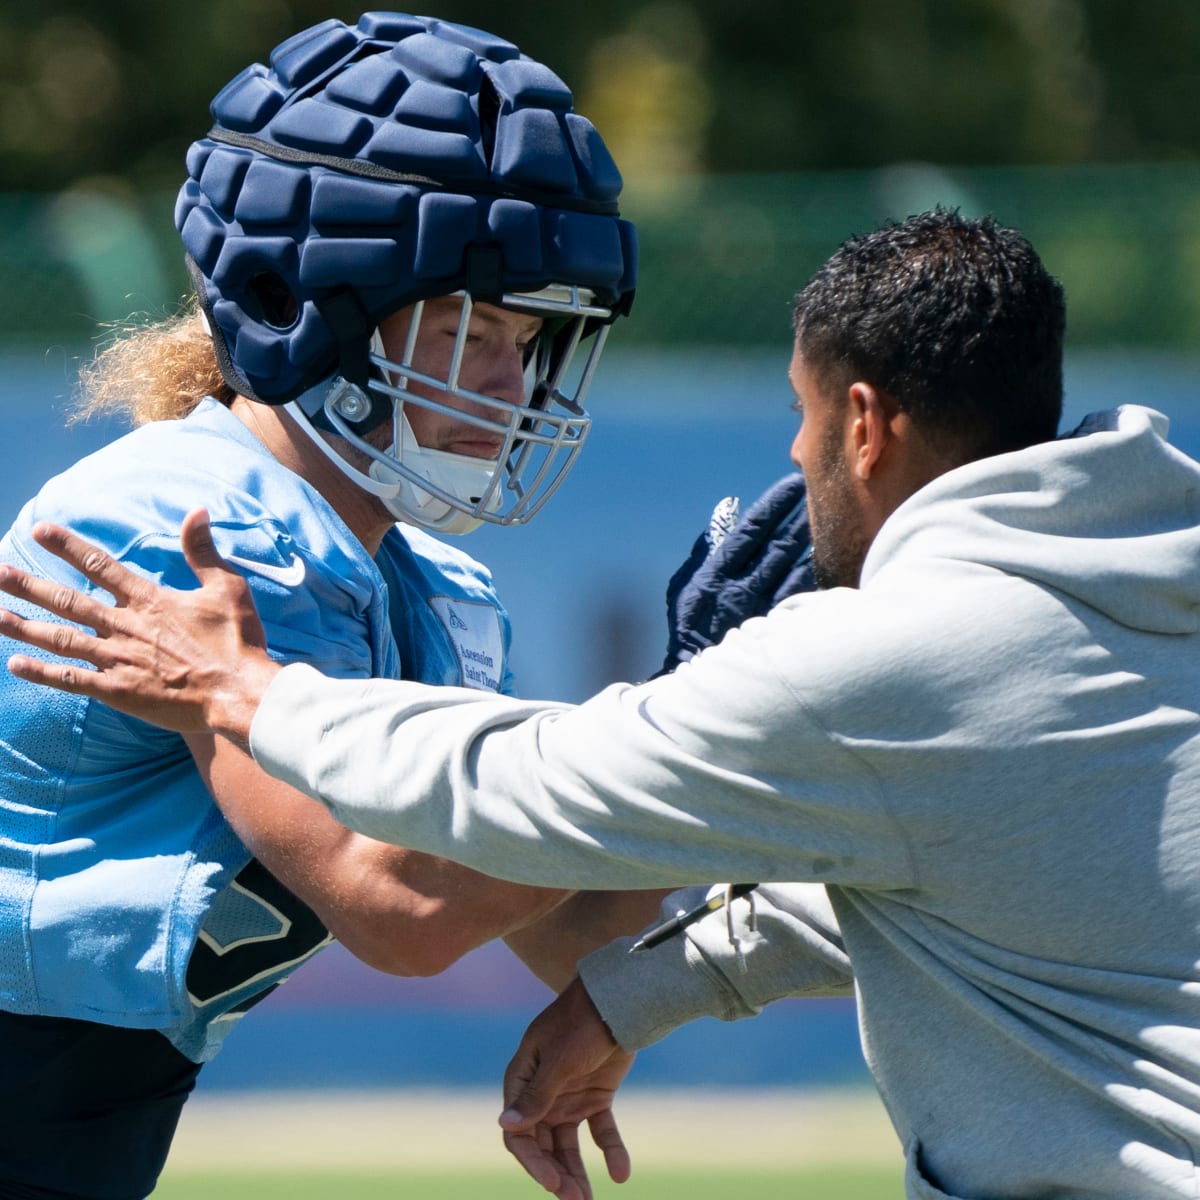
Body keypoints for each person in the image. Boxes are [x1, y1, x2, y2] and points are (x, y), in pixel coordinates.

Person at [8, 209, 1200, 1200]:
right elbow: (983, 892)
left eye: (799, 414)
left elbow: (452, 865)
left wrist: (241, 690)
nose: (792, 458)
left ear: (865, 424)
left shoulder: (887, 654)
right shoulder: (1138, 591)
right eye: (480, 335)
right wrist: (637, 991)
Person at [0, 12, 650, 1200]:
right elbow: (402, 902)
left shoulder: (424, 583)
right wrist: (682, 724)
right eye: (467, 330)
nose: (510, 388)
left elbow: (569, 913)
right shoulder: (193, 531)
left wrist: (775, 717)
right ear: (299, 304)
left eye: (528, 338)